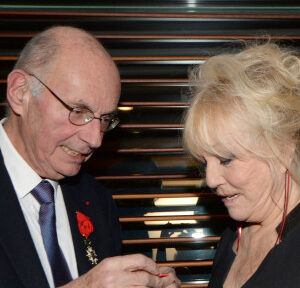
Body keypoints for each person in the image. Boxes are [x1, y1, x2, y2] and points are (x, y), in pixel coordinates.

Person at [0, 26, 180, 288]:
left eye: (105, 119)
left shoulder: (96, 202)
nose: (95, 139)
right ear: (20, 93)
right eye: (78, 111)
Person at [183, 42, 300, 287]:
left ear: (284, 149)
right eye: (205, 162)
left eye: (226, 159)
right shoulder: (233, 236)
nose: (211, 180)